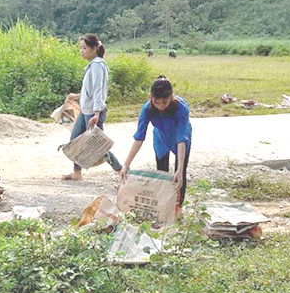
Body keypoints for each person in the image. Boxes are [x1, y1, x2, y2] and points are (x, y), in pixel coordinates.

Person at [119, 75, 192, 207]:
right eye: (157, 102)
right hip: (161, 137)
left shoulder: (181, 108)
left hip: (181, 138)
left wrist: (180, 169)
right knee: (162, 174)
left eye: (165, 102)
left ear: (171, 97)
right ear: (151, 98)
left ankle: (178, 208)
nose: (161, 107)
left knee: (179, 175)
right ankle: (163, 207)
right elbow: (139, 137)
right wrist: (126, 165)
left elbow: (182, 138)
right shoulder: (147, 108)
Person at [62, 33, 122, 180]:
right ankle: (77, 173)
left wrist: (96, 113)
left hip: (93, 112)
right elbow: (89, 91)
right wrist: (76, 96)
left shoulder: (97, 66)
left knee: (98, 146)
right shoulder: (93, 65)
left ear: (94, 49)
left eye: (84, 48)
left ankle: (121, 171)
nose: (81, 51)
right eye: (80, 48)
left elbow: (98, 91)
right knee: (75, 140)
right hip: (86, 111)